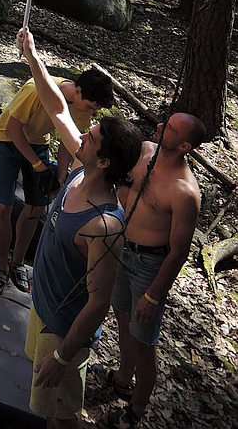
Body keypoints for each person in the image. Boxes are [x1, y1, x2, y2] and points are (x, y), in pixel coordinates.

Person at [18, 27, 142, 429]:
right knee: (46, 406)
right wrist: (34, 59)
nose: (81, 133)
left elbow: (99, 303)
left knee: (62, 416)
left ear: (104, 161)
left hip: (62, 334)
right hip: (43, 307)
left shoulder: (105, 226)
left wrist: (62, 355)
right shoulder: (79, 171)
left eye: (90, 137)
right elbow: (57, 109)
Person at [103, 113, 204, 428]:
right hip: (123, 249)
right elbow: (122, 186)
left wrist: (152, 294)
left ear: (185, 145)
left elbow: (179, 252)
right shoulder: (146, 151)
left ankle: (135, 411)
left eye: (170, 129)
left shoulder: (185, 192)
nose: (160, 127)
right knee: (121, 316)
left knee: (144, 340)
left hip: (149, 265)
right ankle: (122, 376)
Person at [0, 65, 115, 296]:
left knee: (36, 207)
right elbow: (13, 129)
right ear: (77, 90)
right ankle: (2, 267)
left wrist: (61, 175)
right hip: (7, 138)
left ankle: (17, 263)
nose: (90, 112)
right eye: (89, 107)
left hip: (38, 142)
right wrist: (37, 164)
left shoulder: (83, 106)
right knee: (2, 205)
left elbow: (71, 142)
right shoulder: (35, 89)